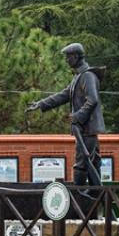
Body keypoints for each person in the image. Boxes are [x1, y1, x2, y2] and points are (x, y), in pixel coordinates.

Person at [26, 42, 104, 187]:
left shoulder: (87, 76)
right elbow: (64, 95)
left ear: (76, 56)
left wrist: (78, 116)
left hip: (87, 128)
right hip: (85, 129)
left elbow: (92, 100)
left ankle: (78, 195)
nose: (66, 60)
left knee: (82, 163)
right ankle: (95, 194)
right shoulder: (79, 77)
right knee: (92, 162)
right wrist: (41, 104)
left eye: (68, 57)